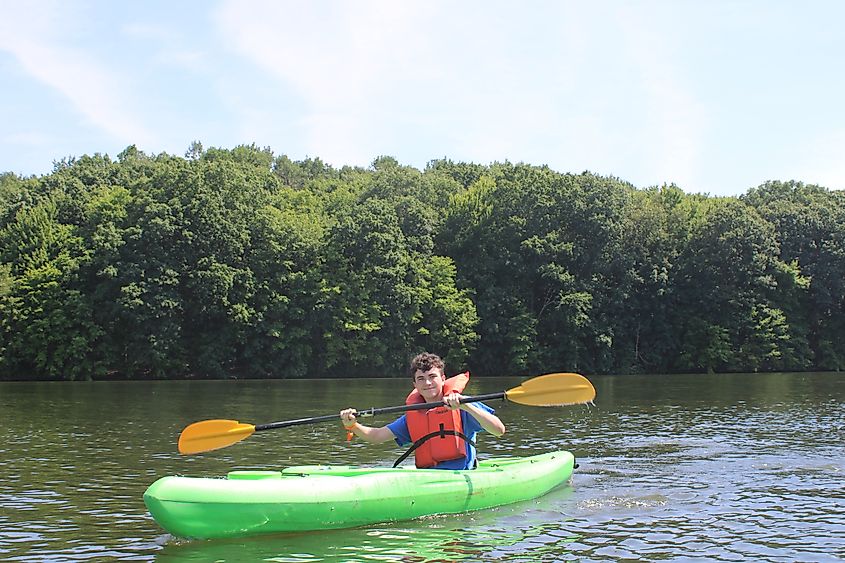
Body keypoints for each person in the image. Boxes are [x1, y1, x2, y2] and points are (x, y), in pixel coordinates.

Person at [339, 352, 506, 470]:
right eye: (421, 379)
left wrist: (465, 406)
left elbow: (499, 430)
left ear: (443, 379)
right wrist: (353, 425)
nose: (427, 383)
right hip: (427, 476)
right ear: (415, 384)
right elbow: (376, 436)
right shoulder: (414, 414)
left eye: (432, 377)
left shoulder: (462, 405)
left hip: (459, 475)